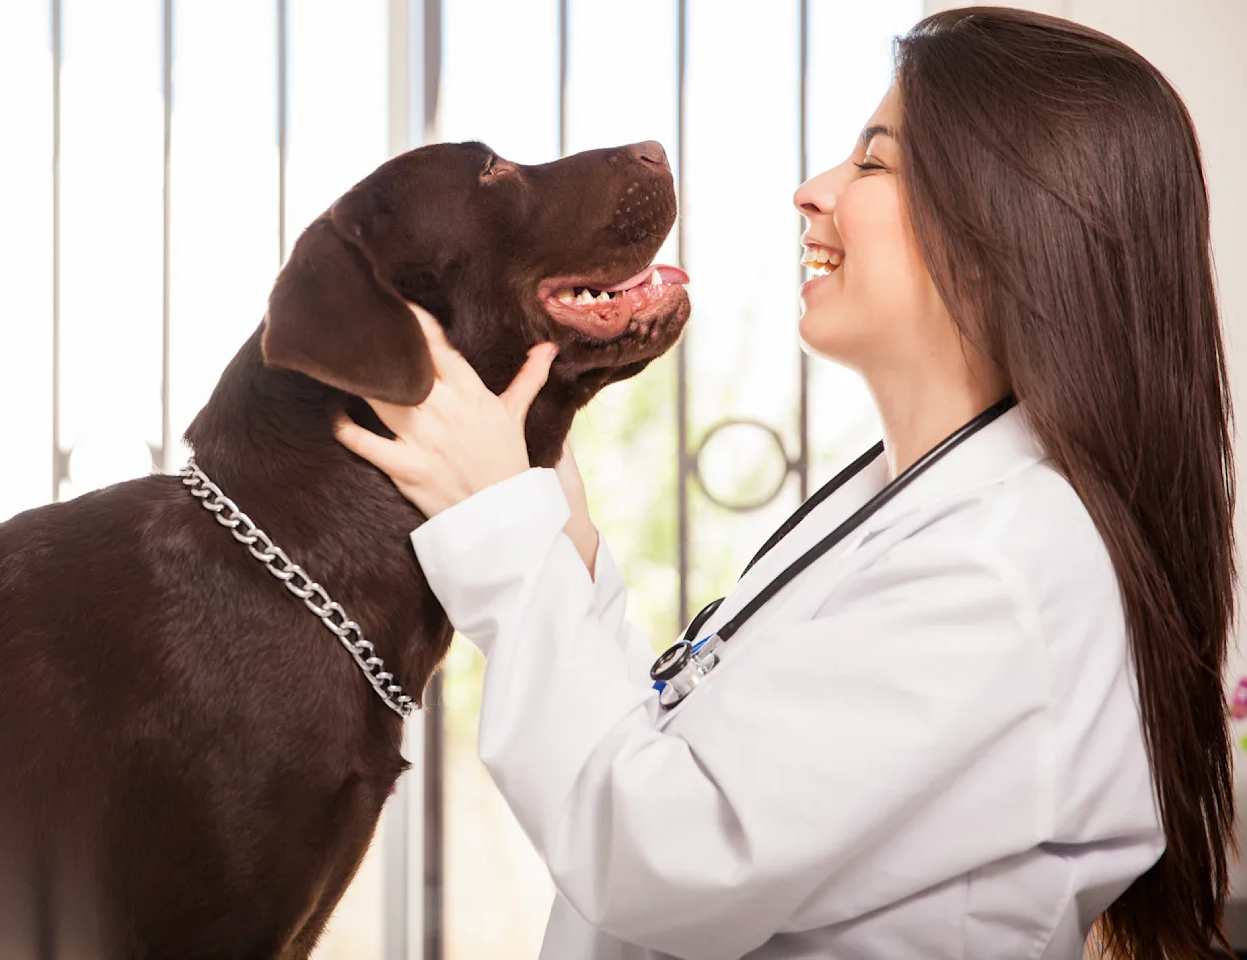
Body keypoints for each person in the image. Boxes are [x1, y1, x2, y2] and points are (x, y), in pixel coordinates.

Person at [334, 7, 1234, 958]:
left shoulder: (1003, 567)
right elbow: (684, 761)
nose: (811, 192)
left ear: (1009, 221)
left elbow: (663, 855)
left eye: (873, 162)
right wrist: (562, 536)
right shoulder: (915, 504)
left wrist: (509, 554)